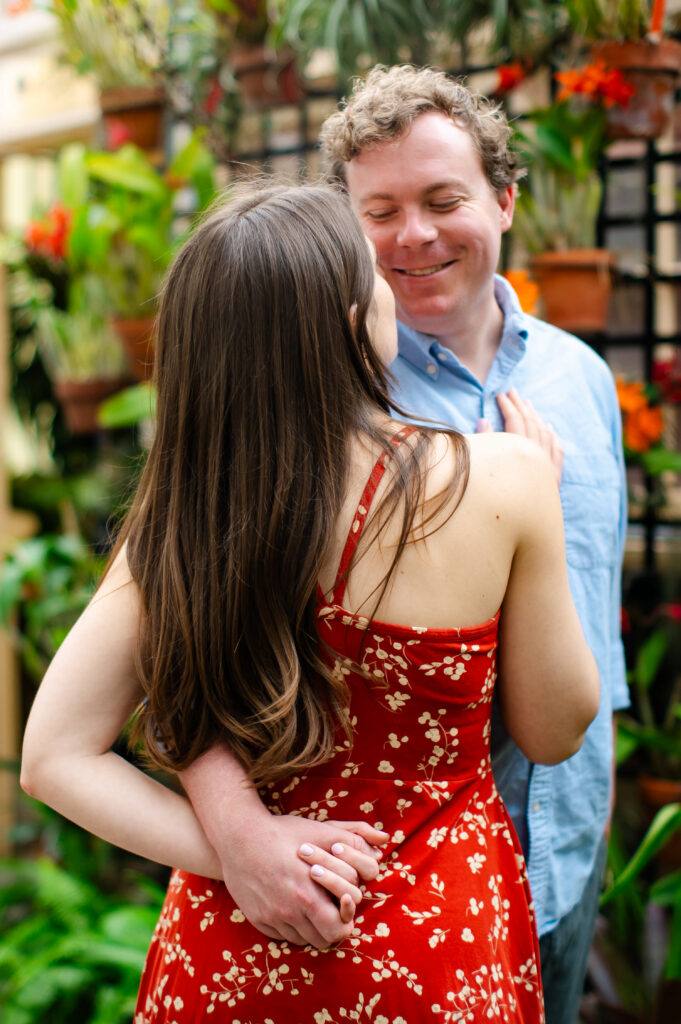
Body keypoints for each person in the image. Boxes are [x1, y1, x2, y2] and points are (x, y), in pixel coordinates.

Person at [21, 181, 598, 1021]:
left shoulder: (184, 512)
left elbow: (51, 757)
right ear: (348, 319)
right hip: (434, 939)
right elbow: (555, 726)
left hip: (232, 950)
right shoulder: (502, 478)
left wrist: (238, 850)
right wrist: (541, 508)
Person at [179, 66, 629, 1024]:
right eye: (377, 210)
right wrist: (236, 831)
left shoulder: (580, 380)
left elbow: (592, 618)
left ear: (504, 200)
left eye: (441, 200)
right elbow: (192, 641)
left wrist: (597, 797)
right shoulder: (317, 401)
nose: (412, 235)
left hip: (562, 847)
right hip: (382, 877)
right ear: (344, 232)